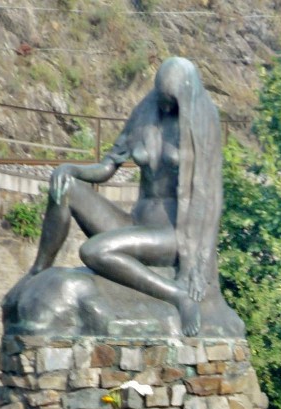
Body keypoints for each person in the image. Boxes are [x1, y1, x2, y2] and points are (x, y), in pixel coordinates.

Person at [23, 56, 223, 337]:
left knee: (94, 250)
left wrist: (197, 266)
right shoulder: (145, 111)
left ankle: (178, 296)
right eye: (160, 97)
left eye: (171, 100)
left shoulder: (204, 121)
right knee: (65, 187)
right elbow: (107, 167)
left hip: (175, 236)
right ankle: (38, 270)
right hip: (135, 224)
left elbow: (211, 200)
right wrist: (71, 169)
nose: (164, 105)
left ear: (185, 95)